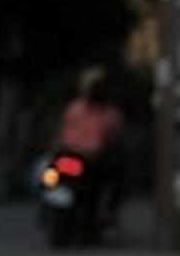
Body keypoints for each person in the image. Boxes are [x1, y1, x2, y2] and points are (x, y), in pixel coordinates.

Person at [54, 68, 129, 228]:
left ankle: (104, 211)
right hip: (73, 160)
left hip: (93, 163)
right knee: (51, 175)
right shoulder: (75, 109)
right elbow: (61, 135)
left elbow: (117, 138)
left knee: (115, 174)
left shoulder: (110, 113)